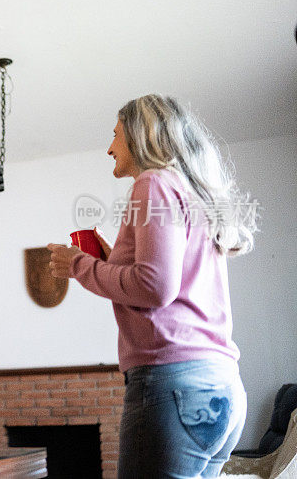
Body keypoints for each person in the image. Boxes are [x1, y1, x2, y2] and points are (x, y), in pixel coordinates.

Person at [48, 94, 257, 478]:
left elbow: (155, 287)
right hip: (222, 388)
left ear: (140, 135)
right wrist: (114, 261)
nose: (110, 147)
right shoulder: (191, 191)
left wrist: (78, 264)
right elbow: (164, 278)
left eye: (116, 135)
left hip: (174, 387)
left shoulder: (153, 183)